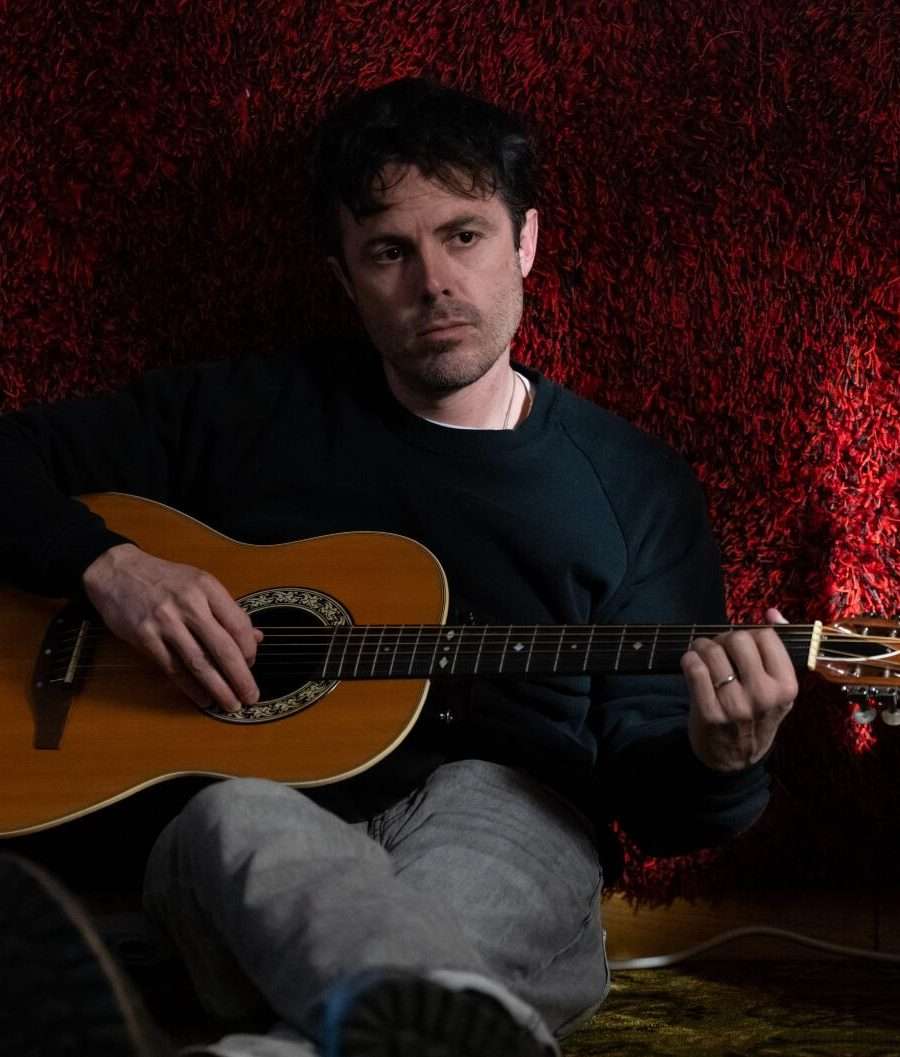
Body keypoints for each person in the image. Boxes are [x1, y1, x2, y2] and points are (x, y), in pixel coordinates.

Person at [0, 77, 798, 1057]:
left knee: (462, 892)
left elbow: (661, 805)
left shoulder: (636, 487)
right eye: (389, 251)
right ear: (343, 277)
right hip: (253, 825)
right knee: (237, 814)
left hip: (500, 820)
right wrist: (108, 565)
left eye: (464, 235)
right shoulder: (247, 410)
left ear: (526, 241)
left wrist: (724, 757)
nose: (434, 283)